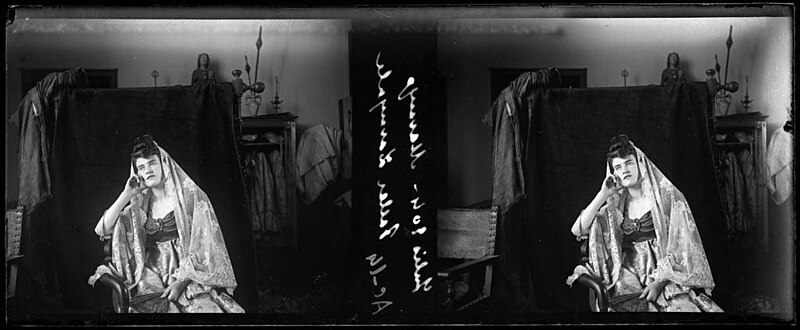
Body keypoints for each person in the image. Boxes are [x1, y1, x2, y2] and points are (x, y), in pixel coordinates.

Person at [566, 134, 723, 312]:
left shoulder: (666, 196)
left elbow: (683, 245)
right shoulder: (616, 206)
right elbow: (578, 229)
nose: (624, 170)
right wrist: (604, 193)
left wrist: (659, 283)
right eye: (618, 167)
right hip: (629, 275)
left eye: (628, 163)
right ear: (613, 173)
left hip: (665, 274)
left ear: (640, 163)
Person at [88, 135, 243, 313]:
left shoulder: (190, 197)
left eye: (152, 163)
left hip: (188, 273)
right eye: (141, 167)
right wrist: (127, 193)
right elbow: (101, 229)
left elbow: (206, 246)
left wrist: (181, 282)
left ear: (164, 164)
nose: (148, 170)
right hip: (151, 274)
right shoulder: (142, 205)